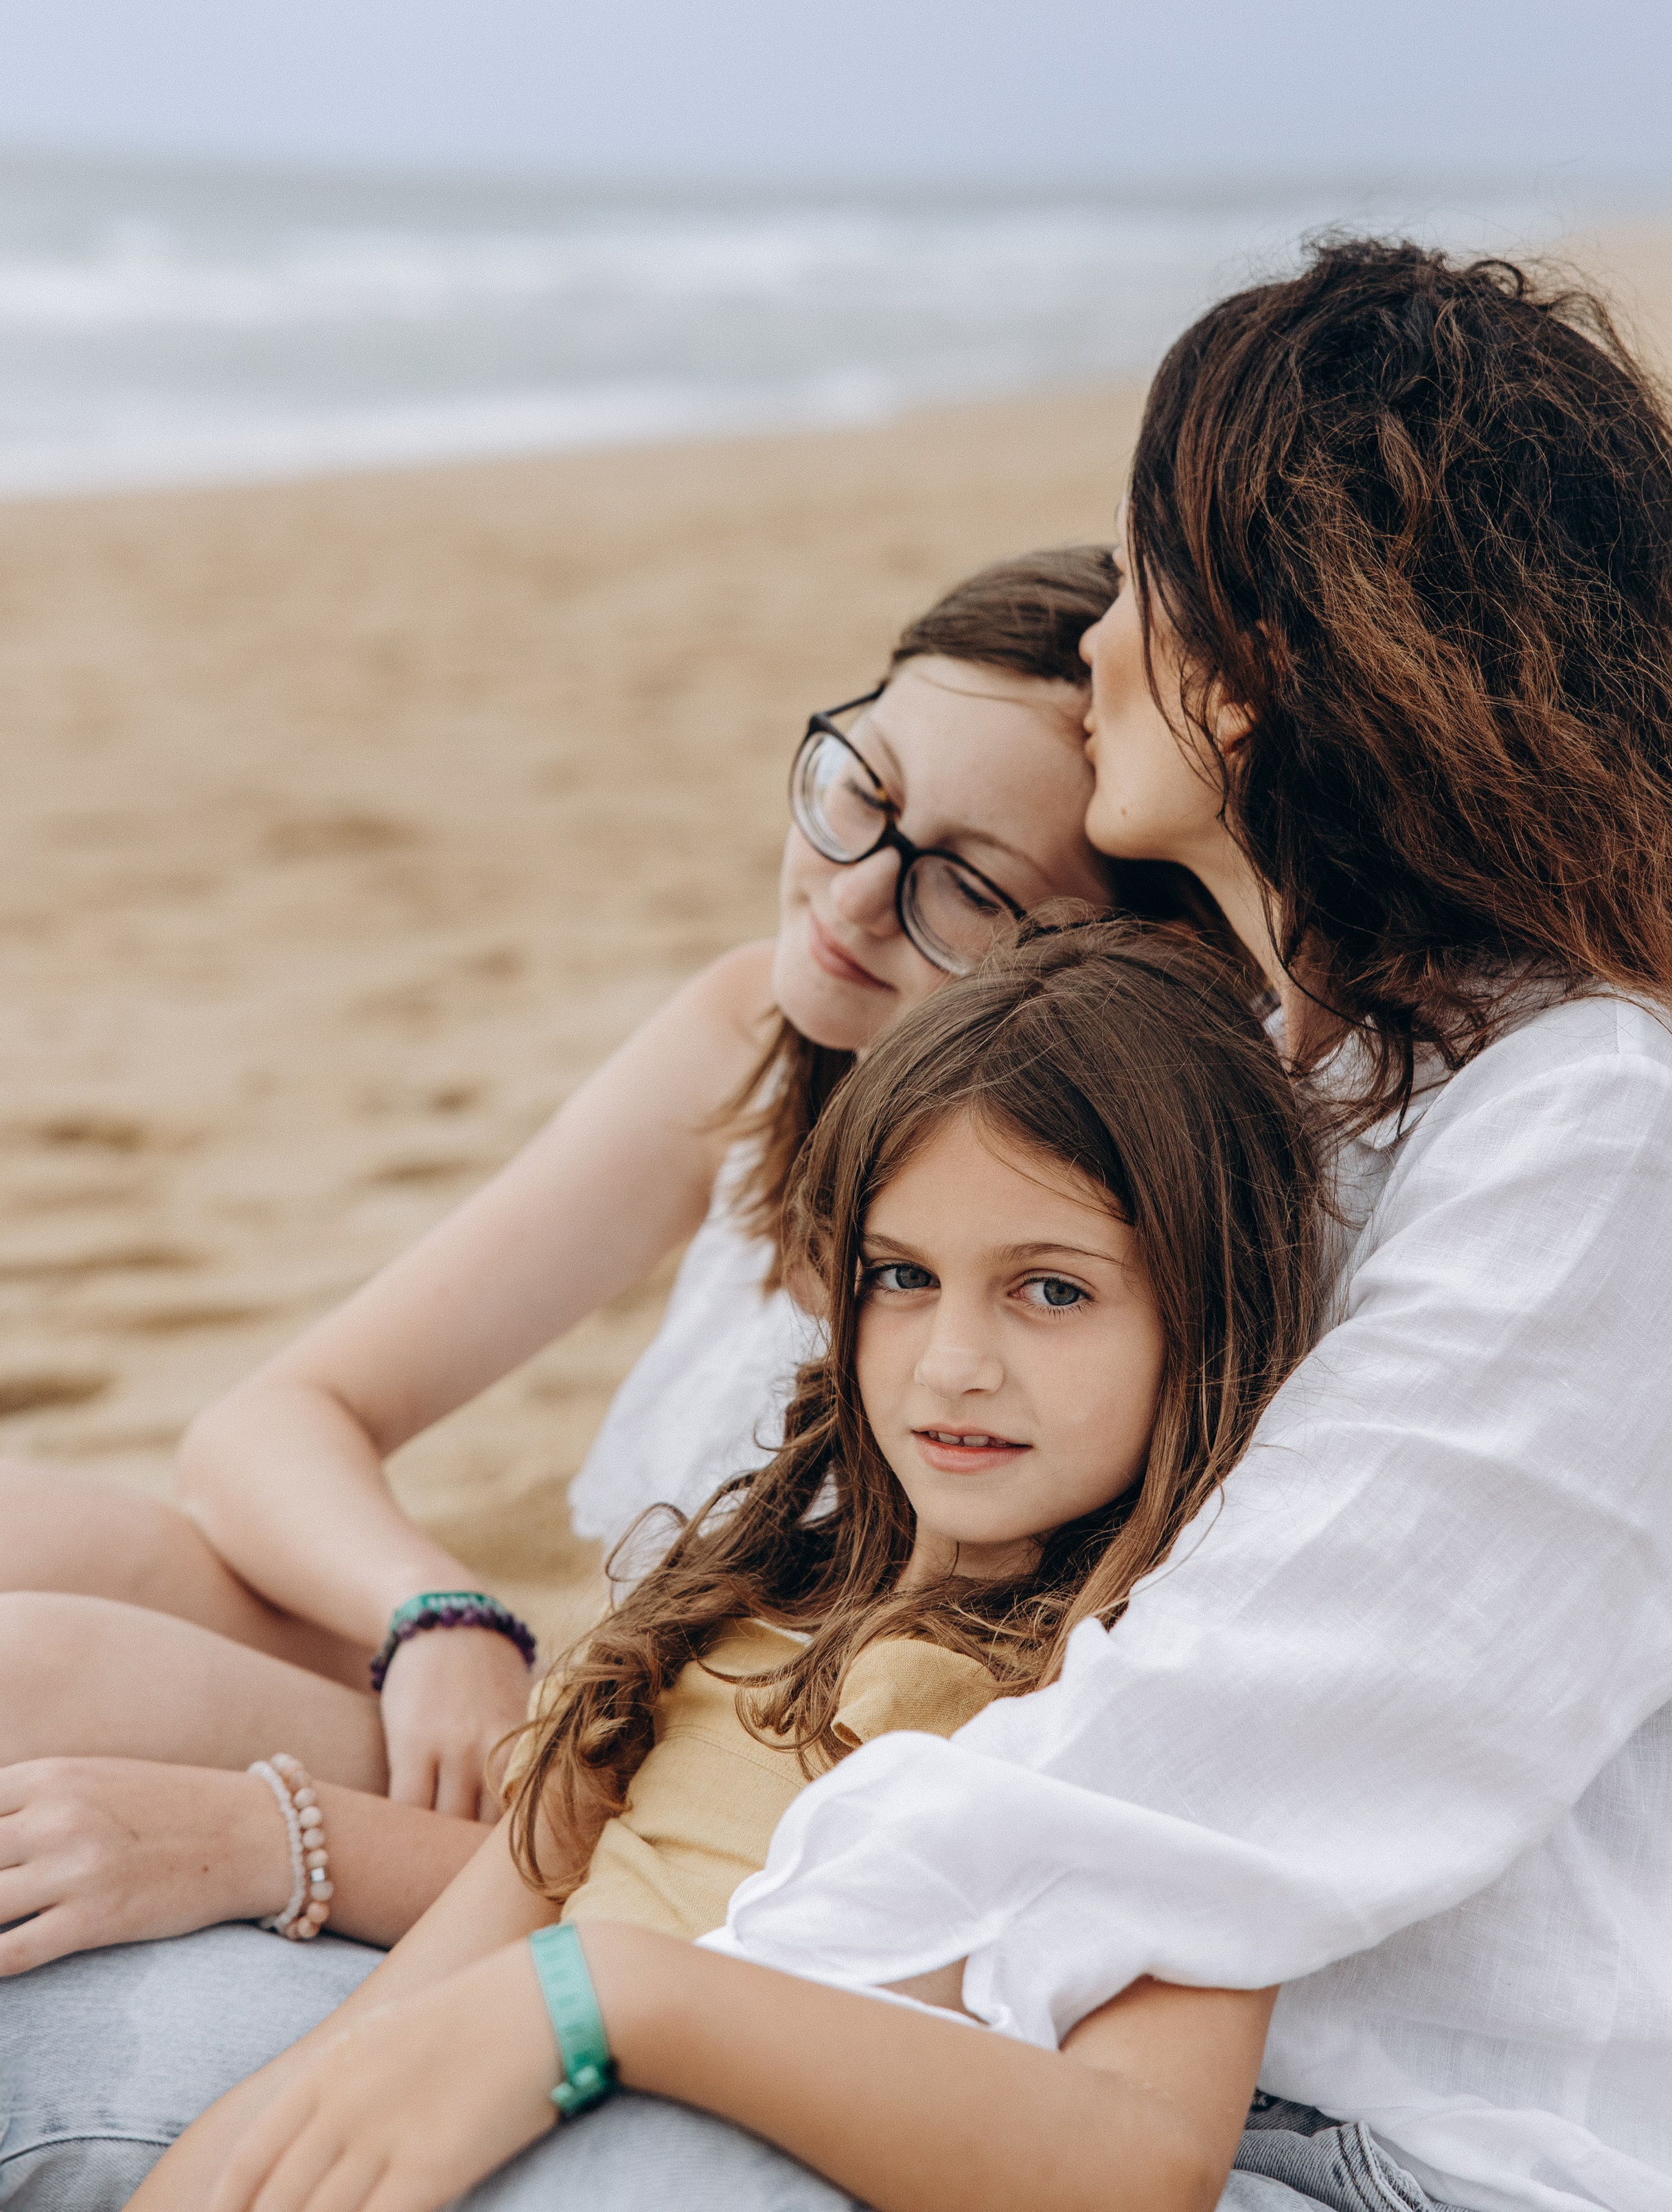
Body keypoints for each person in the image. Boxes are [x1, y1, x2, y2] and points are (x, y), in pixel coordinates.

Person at [11, 234, 1672, 2212]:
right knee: (55, 2027)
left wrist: (591, 1981)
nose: (1102, 642)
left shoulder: (1602, 1119)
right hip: (952, 1993)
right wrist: (505, 1942)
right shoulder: (1307, 1076)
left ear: (1261, 668)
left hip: (1393, 2149)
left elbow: (1184, 1765)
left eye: (1146, 580)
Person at [0, 545, 1211, 1970]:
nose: (851, 896)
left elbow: (801, 1834)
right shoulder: (758, 1038)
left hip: (684, 1813)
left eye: (961, 884)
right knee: (37, 1530)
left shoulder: (1079, 1241)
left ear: (1092, 956)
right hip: (570, 1697)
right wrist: (433, 1612)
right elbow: (271, 1422)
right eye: (859, 791)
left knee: (38, 1669)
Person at [18, 924, 1320, 2212]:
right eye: (904, 1276)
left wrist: (625, 2000)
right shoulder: (733, 1616)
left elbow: (1142, 2163)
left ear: (1208, 1308)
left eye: (1052, 1291)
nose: (952, 1362)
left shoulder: (1158, 1683)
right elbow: (384, 2030)